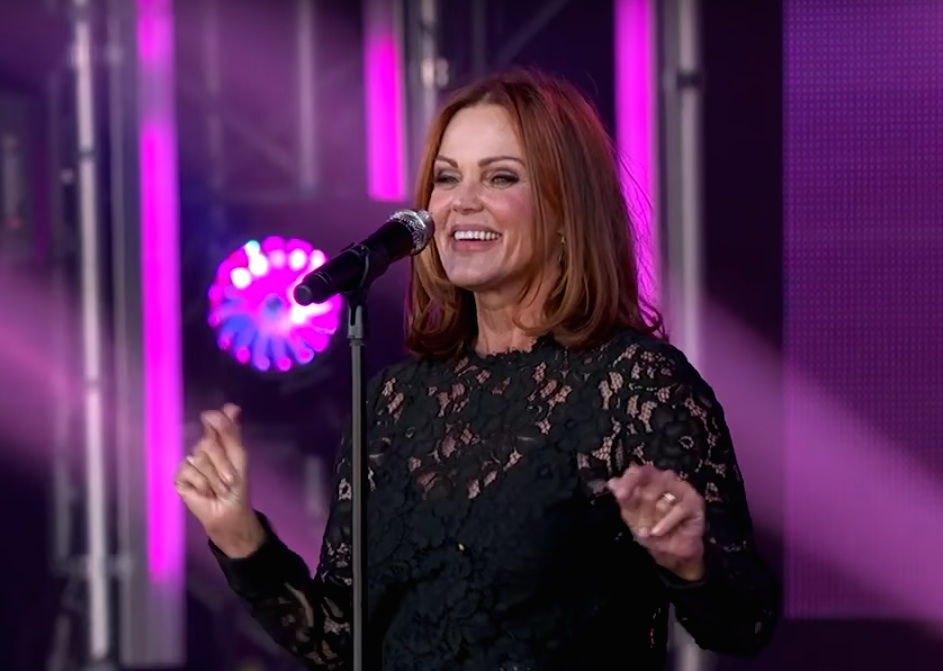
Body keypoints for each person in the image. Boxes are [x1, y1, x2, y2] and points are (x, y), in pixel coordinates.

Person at [175, 69, 780, 670]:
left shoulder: (635, 385)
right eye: (447, 177)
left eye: (500, 176)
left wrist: (688, 562)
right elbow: (345, 642)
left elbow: (745, 622)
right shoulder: (394, 402)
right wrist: (241, 538)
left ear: (566, 210)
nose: (461, 201)